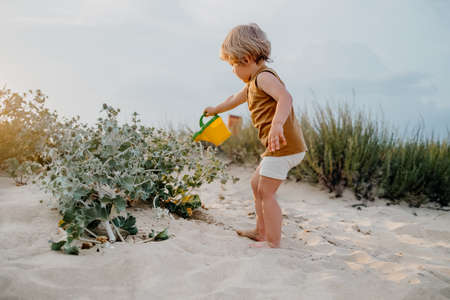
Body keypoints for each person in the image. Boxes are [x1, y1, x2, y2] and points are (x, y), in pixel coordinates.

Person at [204, 23, 308, 248]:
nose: (232, 70)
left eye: (232, 64)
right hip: (277, 147)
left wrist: (277, 124)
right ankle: (261, 231)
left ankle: (272, 241)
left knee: (266, 192)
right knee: (255, 184)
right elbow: (233, 99)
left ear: (247, 58)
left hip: (283, 145)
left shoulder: (264, 78)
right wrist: (215, 109)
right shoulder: (252, 82)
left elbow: (286, 98)